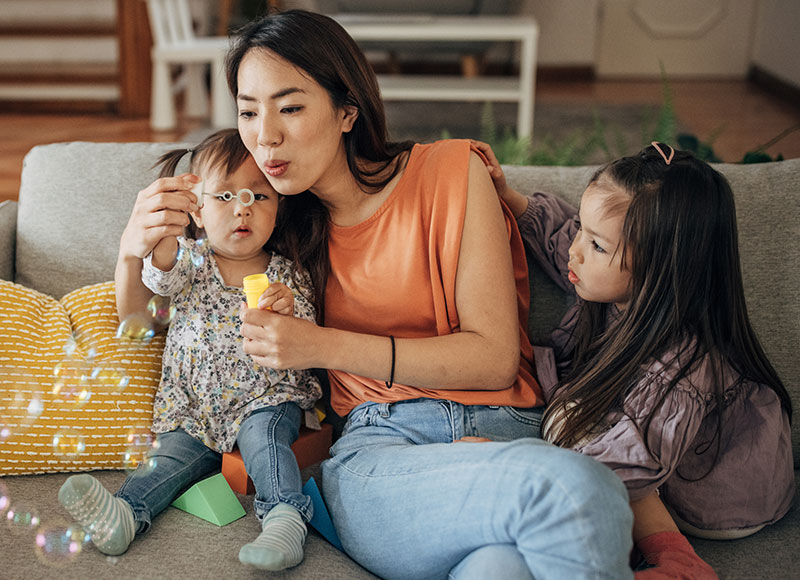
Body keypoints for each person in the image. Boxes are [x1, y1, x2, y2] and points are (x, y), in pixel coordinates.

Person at [222, 10, 635, 580]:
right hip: (380, 459)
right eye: (248, 111)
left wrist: (320, 344)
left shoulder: (451, 172)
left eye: (290, 107)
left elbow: (491, 360)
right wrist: (135, 250)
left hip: (504, 435)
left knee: (502, 569)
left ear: (347, 111)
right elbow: (179, 295)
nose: (265, 135)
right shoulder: (271, 227)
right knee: (578, 488)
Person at [472, 139, 795, 577]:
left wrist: (515, 461)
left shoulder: (681, 365)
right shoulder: (611, 282)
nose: (576, 251)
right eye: (584, 231)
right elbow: (562, 237)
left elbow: (633, 462)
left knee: (592, 446)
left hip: (721, 491)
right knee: (577, 419)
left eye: (597, 246)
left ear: (660, 268)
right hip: (652, 447)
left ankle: (679, 561)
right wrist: (511, 199)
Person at [59, 129, 322, 572]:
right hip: (192, 409)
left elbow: (310, 340)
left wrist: (288, 311)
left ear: (278, 208)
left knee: (267, 445)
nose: (243, 208)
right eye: (224, 196)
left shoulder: (287, 275)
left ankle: (284, 518)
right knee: (165, 462)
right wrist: (162, 236)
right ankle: (124, 514)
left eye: (259, 197)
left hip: (266, 398)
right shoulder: (189, 261)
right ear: (196, 211)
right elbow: (158, 274)